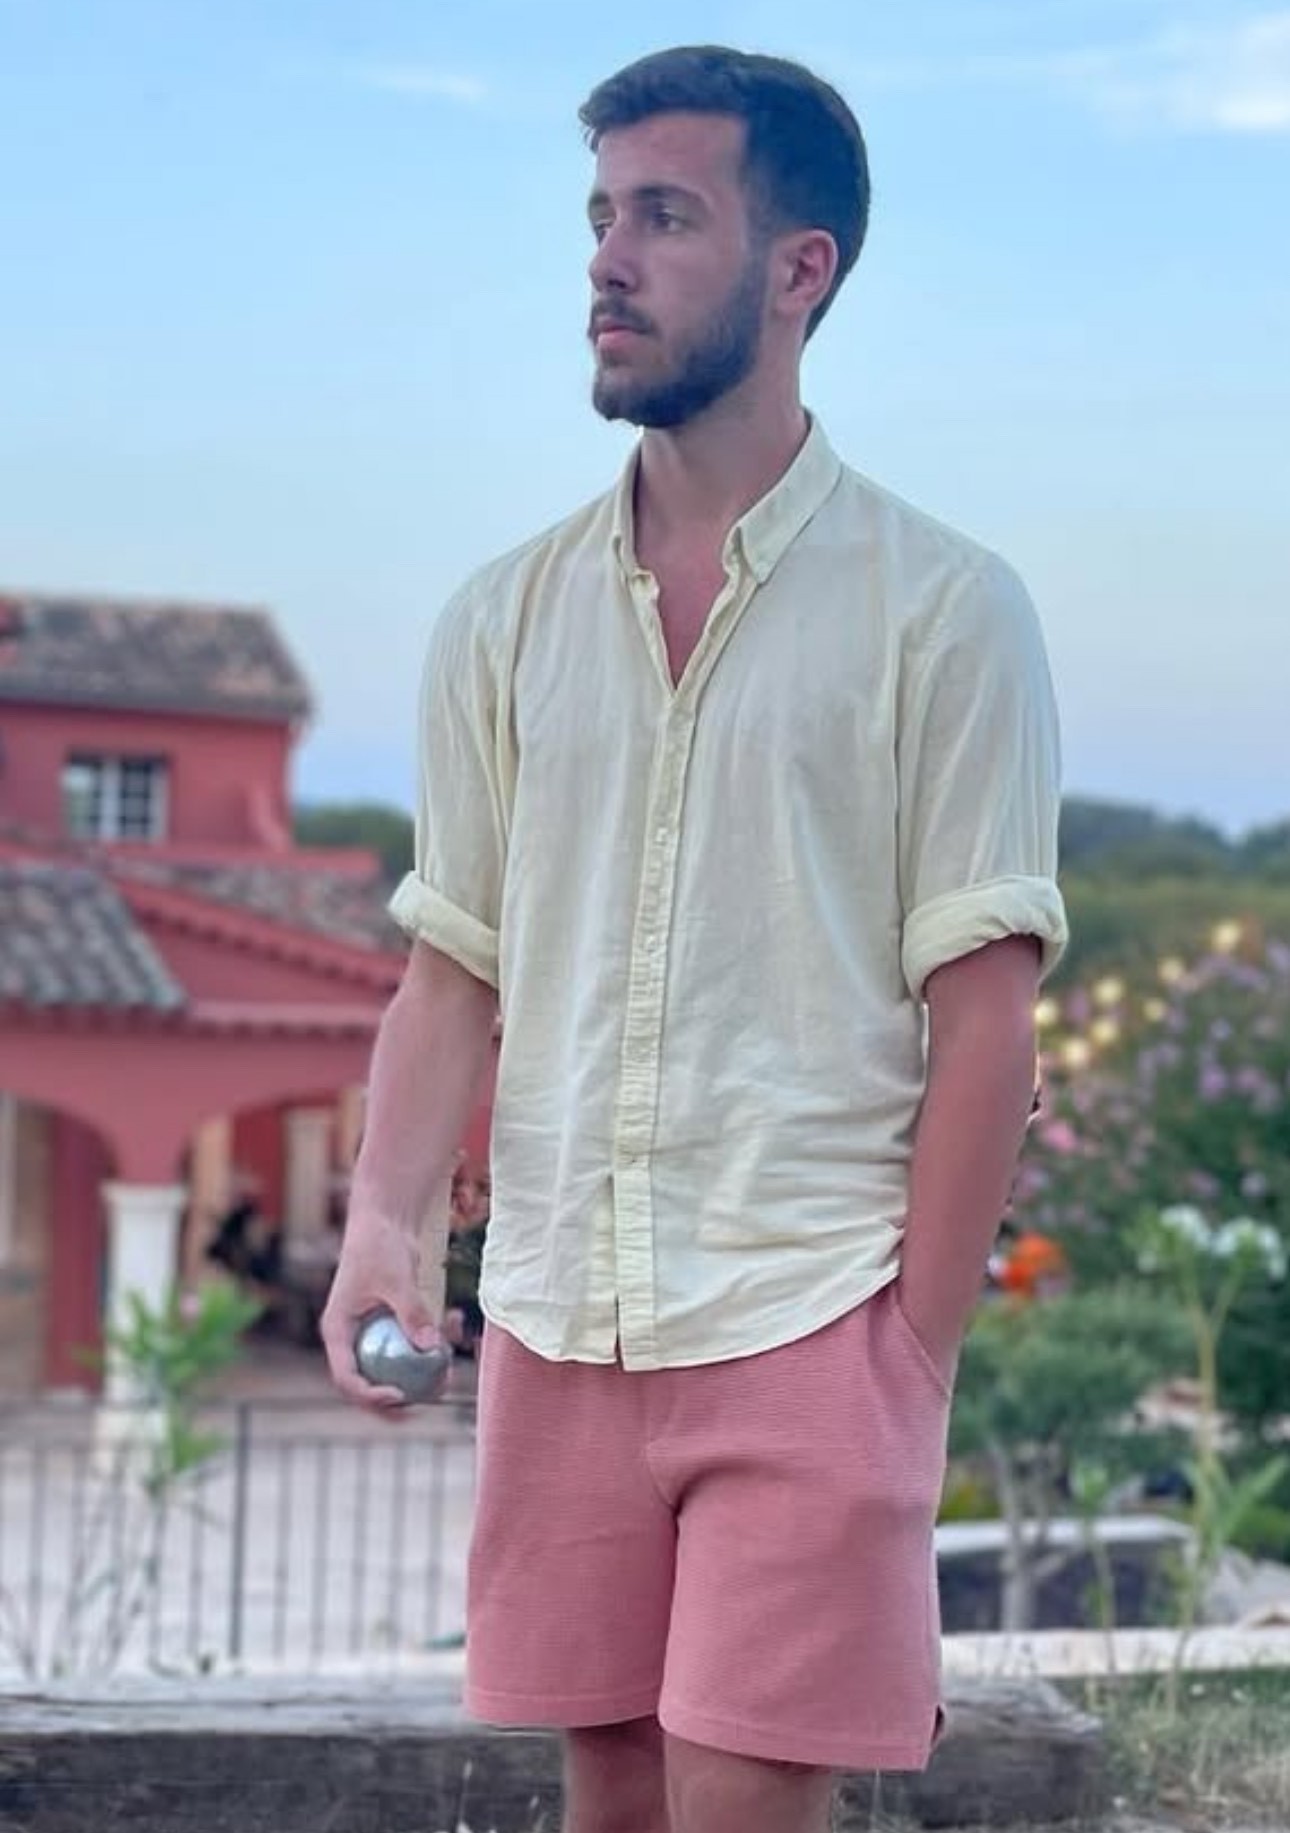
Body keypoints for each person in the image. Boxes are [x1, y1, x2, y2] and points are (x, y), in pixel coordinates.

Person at [322, 44, 1068, 1833]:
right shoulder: (498, 620)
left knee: (740, 1801)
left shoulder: (946, 610)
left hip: (810, 1304)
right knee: (613, 1794)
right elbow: (453, 967)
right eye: (599, 215)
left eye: (664, 216)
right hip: (560, 1313)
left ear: (798, 268)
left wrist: (910, 1358)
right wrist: (381, 1225)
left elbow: (984, 1020)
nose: (607, 259)